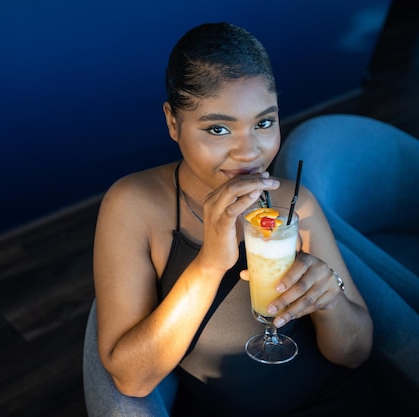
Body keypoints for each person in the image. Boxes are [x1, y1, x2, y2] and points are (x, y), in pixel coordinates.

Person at [92, 22, 374, 416]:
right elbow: (131, 379)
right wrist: (209, 264)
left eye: (263, 123)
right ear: (173, 123)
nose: (249, 153)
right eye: (219, 129)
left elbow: (355, 355)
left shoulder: (295, 203)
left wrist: (330, 301)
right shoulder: (134, 205)